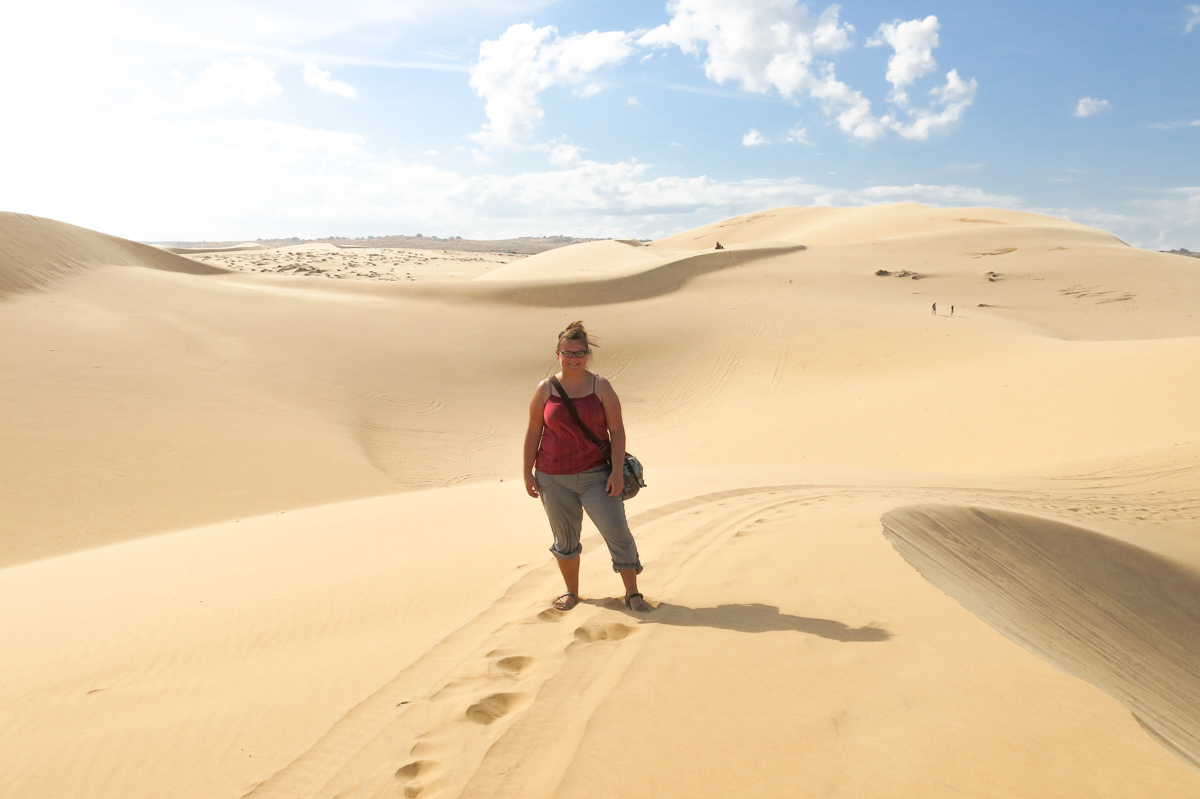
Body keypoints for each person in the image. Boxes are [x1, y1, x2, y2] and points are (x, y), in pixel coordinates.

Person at [523, 321, 650, 613]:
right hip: (552, 478)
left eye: (579, 353)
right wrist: (527, 472)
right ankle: (571, 592)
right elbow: (533, 432)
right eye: (568, 352)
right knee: (565, 538)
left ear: (587, 354)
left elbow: (616, 432)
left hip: (596, 477)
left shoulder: (601, 387)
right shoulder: (545, 389)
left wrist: (617, 472)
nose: (573, 358)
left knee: (617, 532)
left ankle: (633, 594)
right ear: (558, 354)